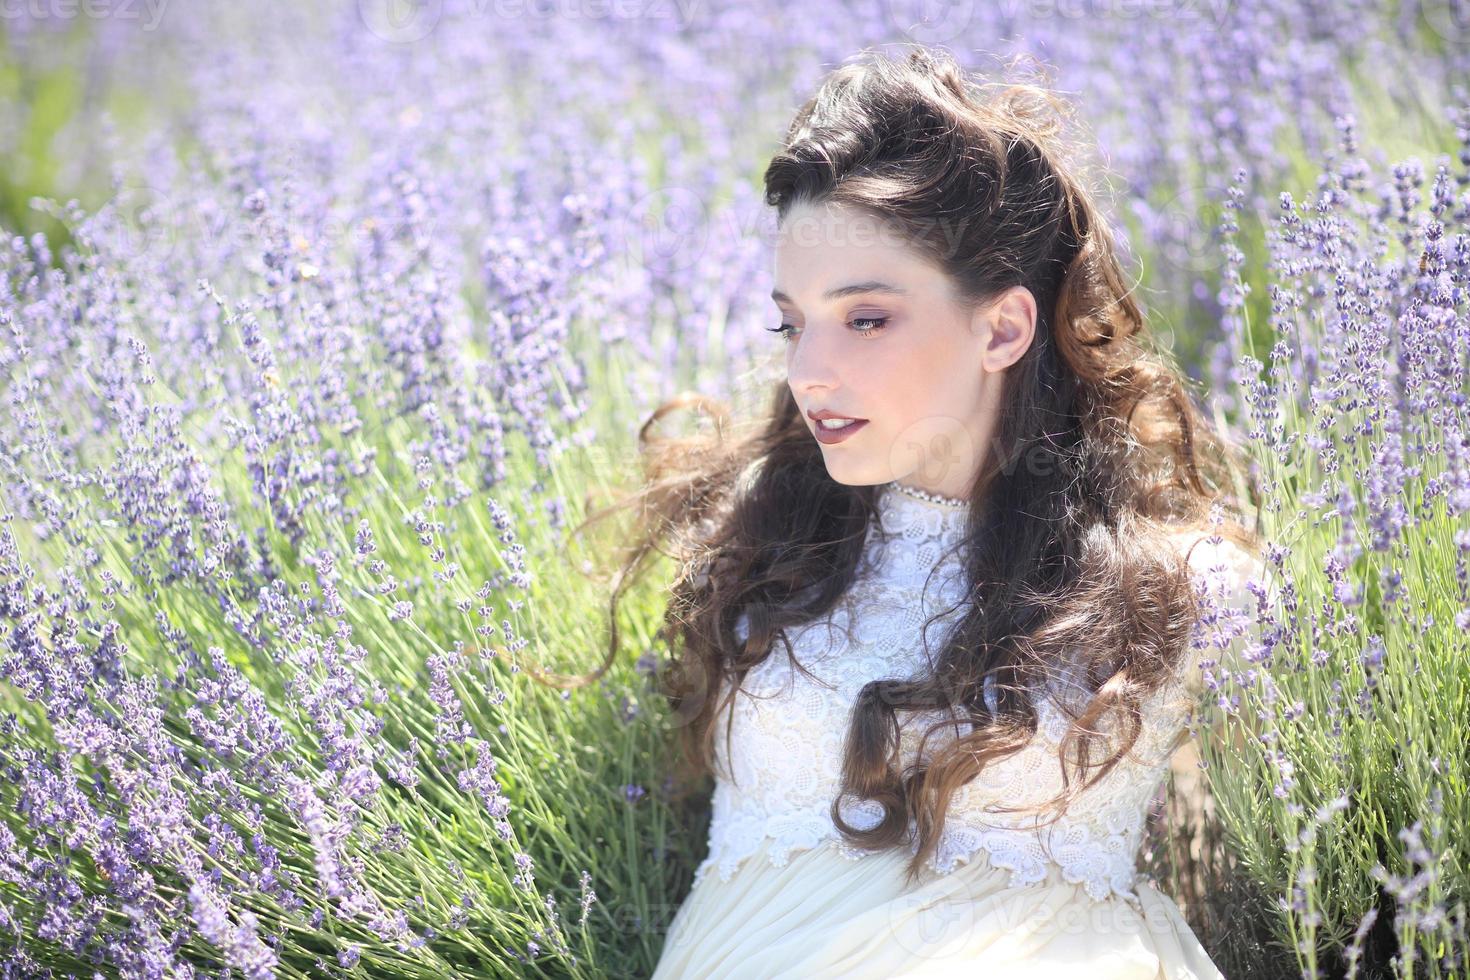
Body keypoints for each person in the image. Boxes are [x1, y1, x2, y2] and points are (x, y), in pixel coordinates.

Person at [571, 43, 1270, 978]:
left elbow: (1283, 859)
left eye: (865, 319)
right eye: (792, 322)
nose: (808, 369)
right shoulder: (759, 537)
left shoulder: (1187, 586)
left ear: (1003, 326)